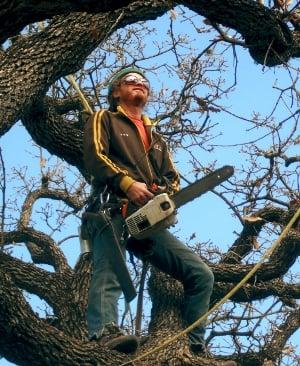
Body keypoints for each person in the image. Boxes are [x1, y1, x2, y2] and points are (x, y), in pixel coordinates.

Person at [82, 67, 214, 355]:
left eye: (144, 83)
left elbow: (173, 177)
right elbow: (95, 156)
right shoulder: (104, 118)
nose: (139, 85)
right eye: (131, 81)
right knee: (109, 271)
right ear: (116, 90)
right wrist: (127, 183)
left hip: (146, 218)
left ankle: (193, 344)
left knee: (201, 274)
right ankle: (103, 333)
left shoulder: (155, 138)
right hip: (112, 209)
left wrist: (161, 194)